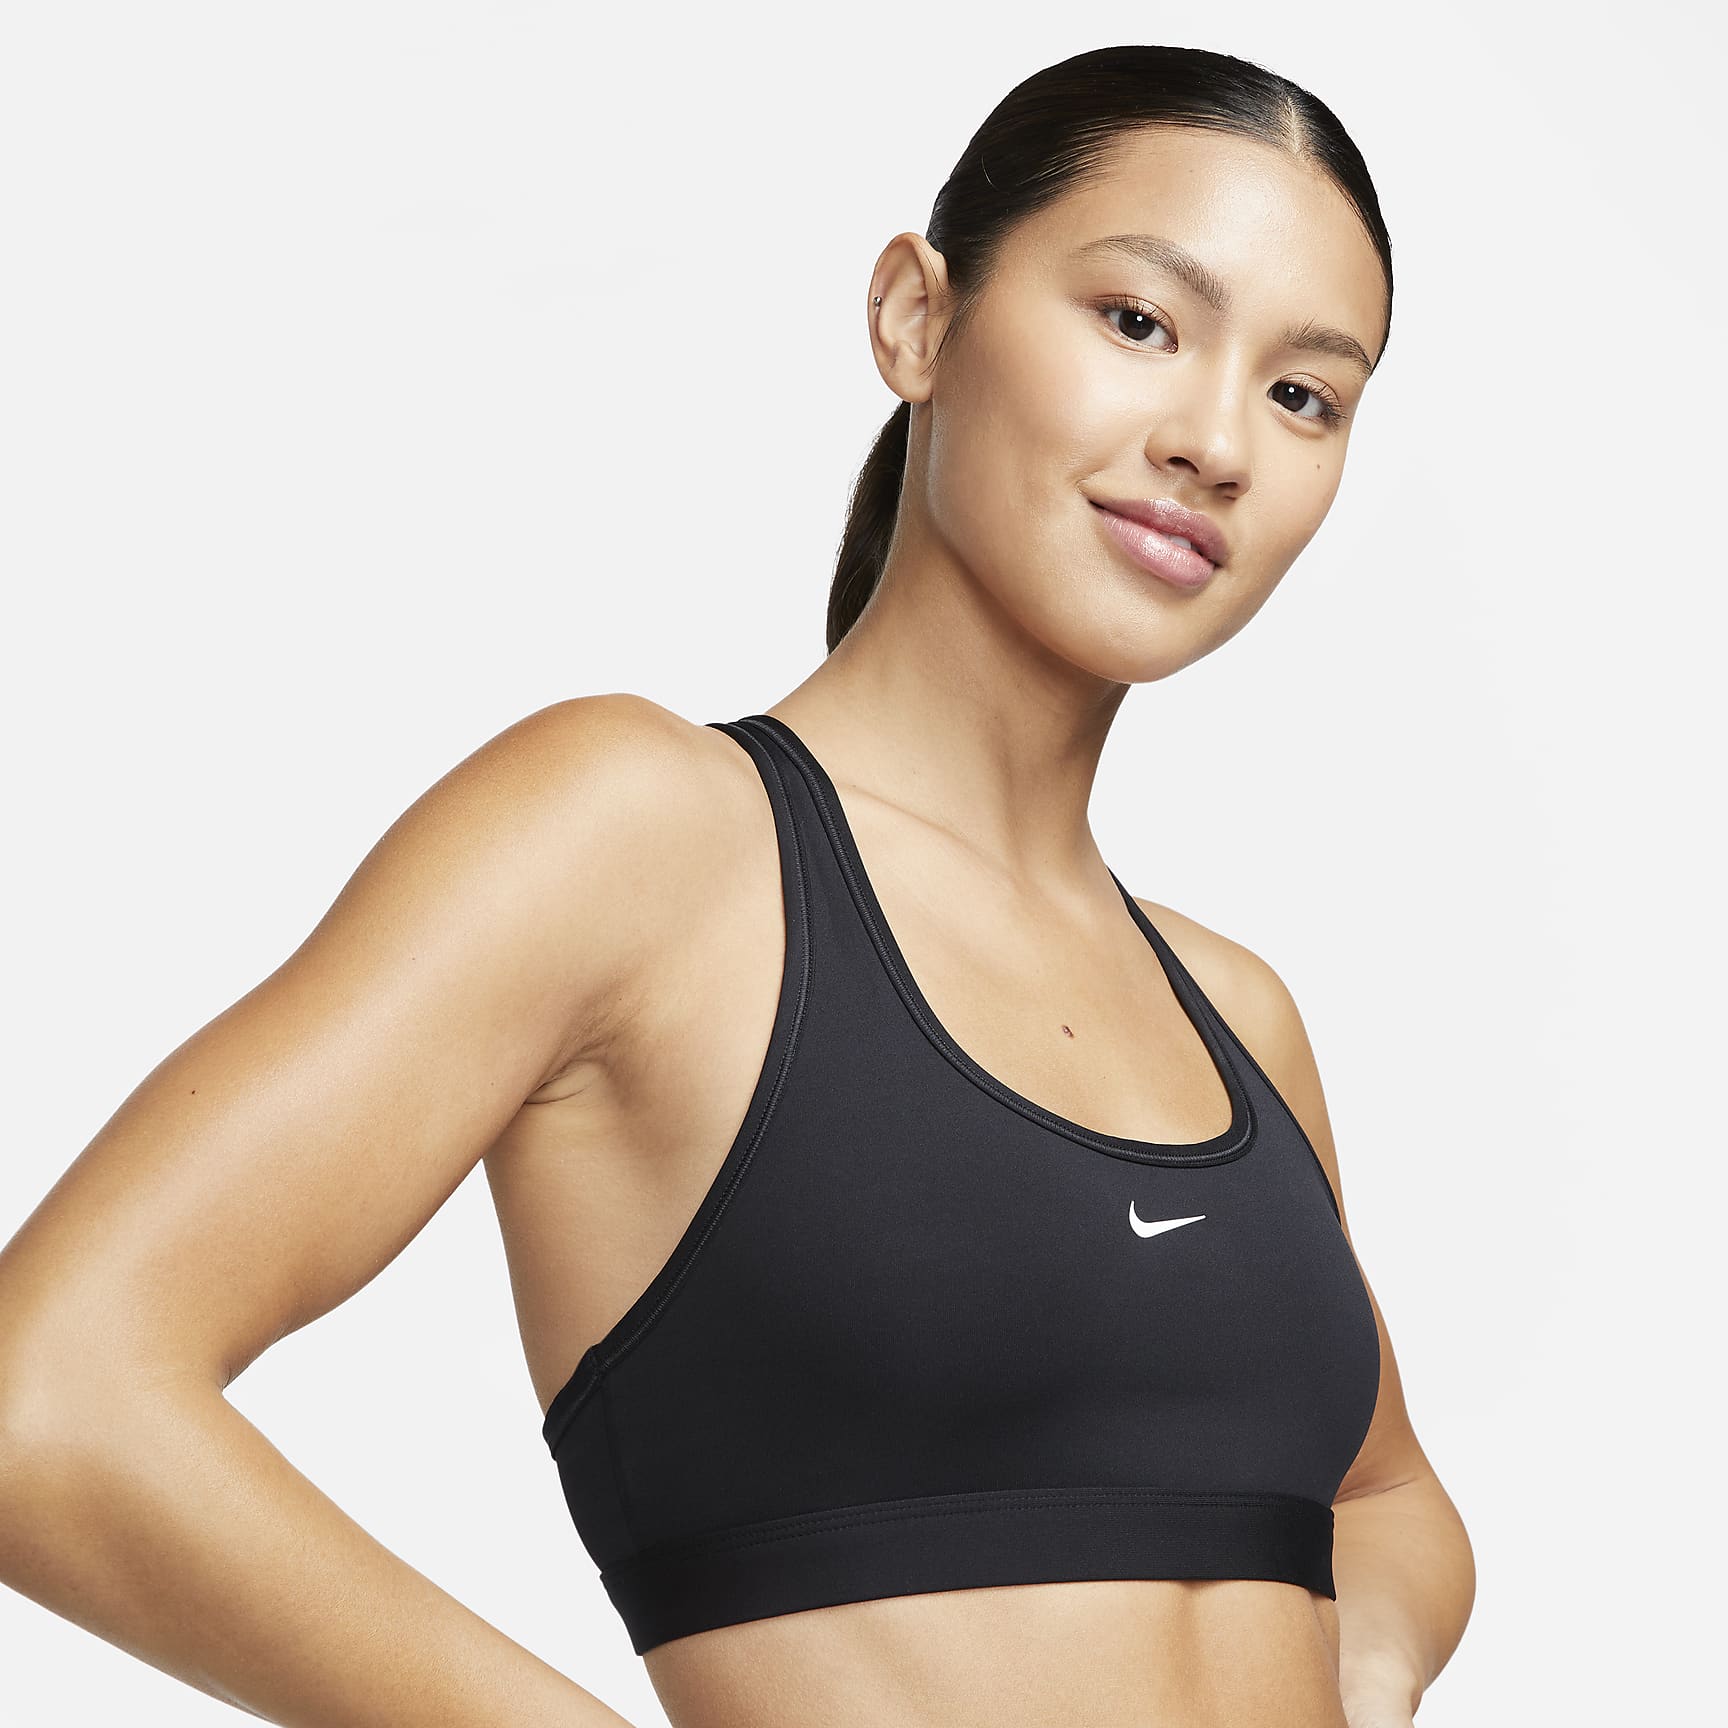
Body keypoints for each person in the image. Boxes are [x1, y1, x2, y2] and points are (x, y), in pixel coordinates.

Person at [0, 41, 1474, 1728]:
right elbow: (52, 1397)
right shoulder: (642, 841)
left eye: (1305, 395)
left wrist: (1363, 1668)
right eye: (1140, 321)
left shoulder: (1234, 1016)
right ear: (916, 318)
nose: (1216, 441)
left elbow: (1386, 1495)